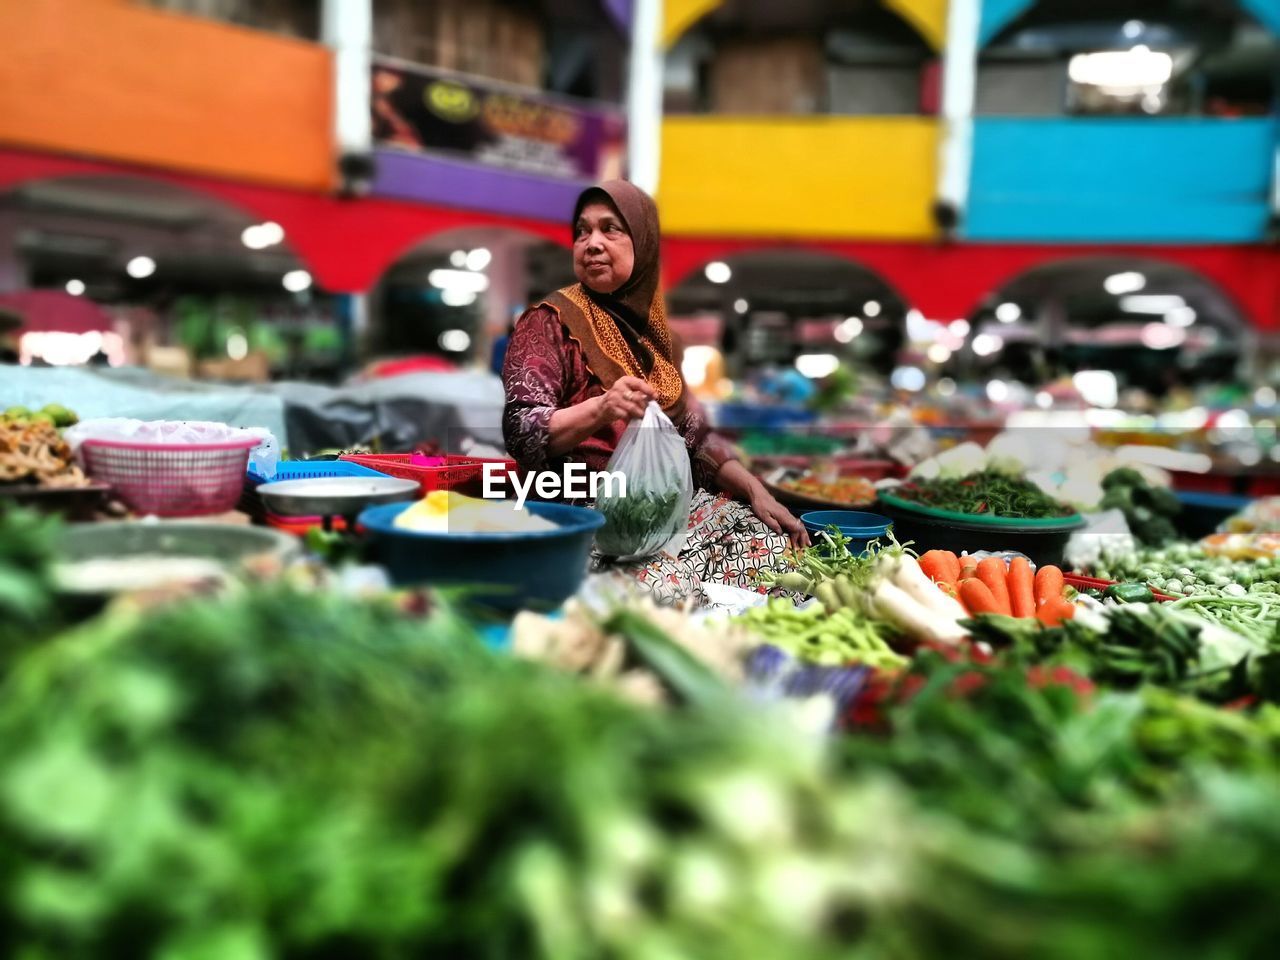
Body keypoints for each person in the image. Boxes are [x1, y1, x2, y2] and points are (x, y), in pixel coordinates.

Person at [502, 180, 808, 603]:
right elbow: (521, 429)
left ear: (643, 244)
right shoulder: (549, 322)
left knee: (772, 551)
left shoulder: (658, 339)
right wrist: (601, 408)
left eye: (610, 229)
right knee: (668, 588)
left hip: (657, 513)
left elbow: (696, 437)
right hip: (576, 518)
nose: (591, 243)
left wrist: (756, 490)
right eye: (582, 231)